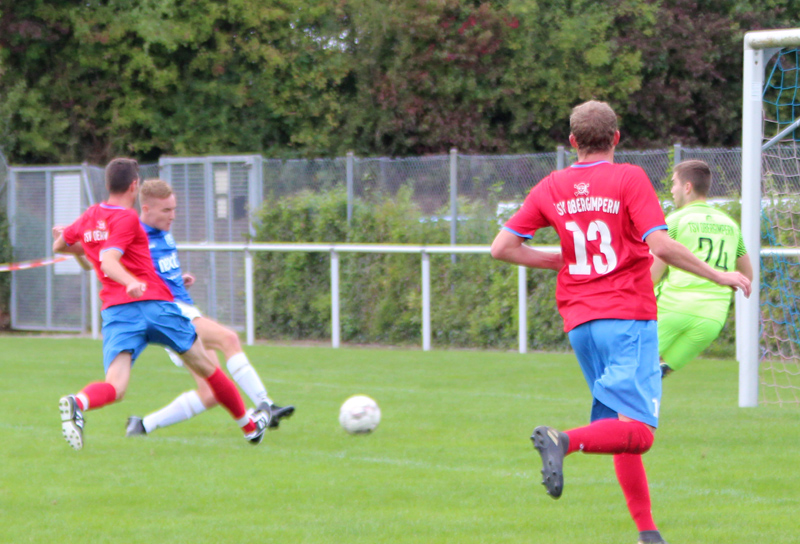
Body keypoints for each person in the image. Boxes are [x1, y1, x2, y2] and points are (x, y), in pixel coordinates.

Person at [490, 101, 751, 544]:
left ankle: (647, 532)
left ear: (572, 142)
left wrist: (562, 260)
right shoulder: (628, 178)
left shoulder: (551, 185)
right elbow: (661, 246)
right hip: (627, 316)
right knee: (640, 434)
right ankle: (563, 440)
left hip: (580, 323)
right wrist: (718, 274)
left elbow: (502, 248)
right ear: (616, 138)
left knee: (621, 427)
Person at [53, 158, 269, 451]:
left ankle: (78, 402)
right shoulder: (129, 218)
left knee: (116, 386)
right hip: (154, 306)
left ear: (108, 184)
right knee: (209, 368)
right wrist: (130, 281)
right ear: (134, 186)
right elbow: (108, 260)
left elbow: (60, 246)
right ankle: (249, 427)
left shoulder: (90, 216)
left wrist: (82, 249)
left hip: (117, 313)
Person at [124, 178, 294, 437]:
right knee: (229, 339)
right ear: (145, 209)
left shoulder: (164, 233)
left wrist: (177, 280)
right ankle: (265, 405)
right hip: (171, 315)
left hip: (181, 309)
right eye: (166, 210)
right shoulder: (135, 237)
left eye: (174, 209)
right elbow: (110, 263)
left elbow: (156, 272)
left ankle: (142, 425)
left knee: (211, 393)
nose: (172, 216)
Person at [652, 160, 753, 377]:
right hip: (712, 318)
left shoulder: (675, 221)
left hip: (672, 308)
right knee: (655, 374)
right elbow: (747, 275)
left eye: (674, 183)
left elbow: (651, 274)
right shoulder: (730, 225)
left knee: (627, 369)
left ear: (687, 187)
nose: (672, 190)